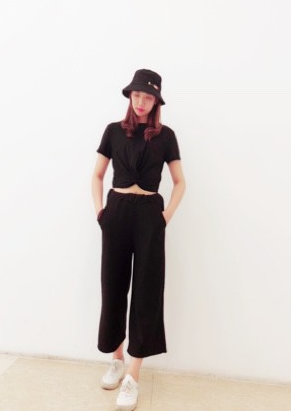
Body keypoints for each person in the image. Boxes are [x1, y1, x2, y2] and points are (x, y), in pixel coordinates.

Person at [91, 68, 186, 410]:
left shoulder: (166, 136)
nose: (141, 102)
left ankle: (133, 374)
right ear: (130, 96)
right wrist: (101, 212)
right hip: (116, 212)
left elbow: (180, 182)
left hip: (149, 216)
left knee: (146, 291)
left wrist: (164, 217)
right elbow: (97, 175)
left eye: (148, 97)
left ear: (156, 101)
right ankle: (116, 359)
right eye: (136, 95)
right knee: (113, 286)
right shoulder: (113, 131)